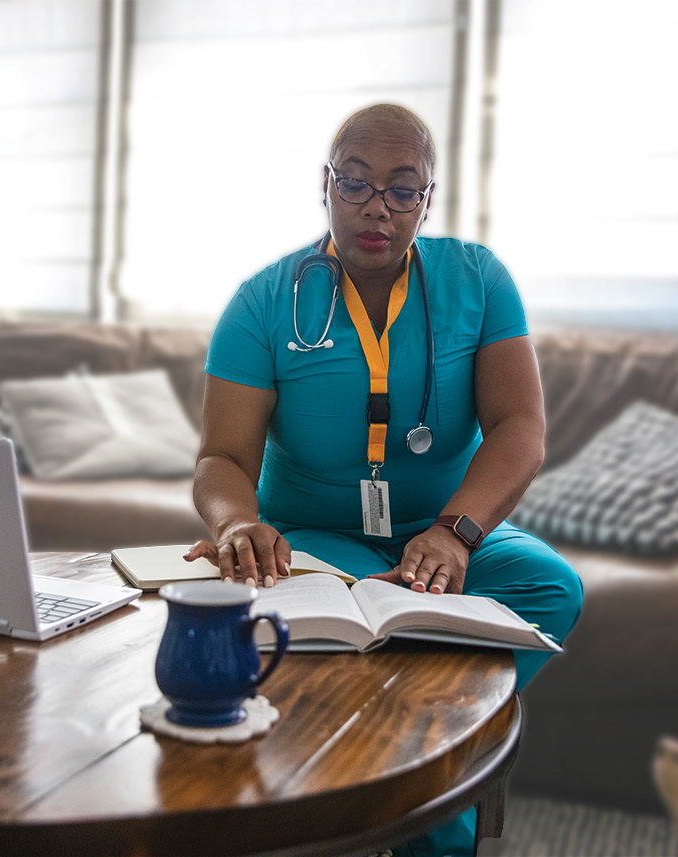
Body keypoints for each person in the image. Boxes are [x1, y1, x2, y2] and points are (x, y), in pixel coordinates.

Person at [187, 104, 583, 856]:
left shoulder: (479, 280)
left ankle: (409, 737)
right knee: (359, 609)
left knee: (549, 585)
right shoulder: (263, 301)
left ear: (428, 200)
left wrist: (457, 531)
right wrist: (237, 522)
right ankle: (428, 765)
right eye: (357, 183)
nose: (377, 206)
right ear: (325, 186)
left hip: (445, 531)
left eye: (404, 189)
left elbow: (519, 429)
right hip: (318, 537)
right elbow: (223, 459)